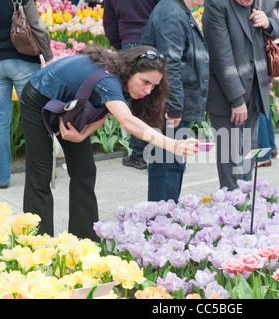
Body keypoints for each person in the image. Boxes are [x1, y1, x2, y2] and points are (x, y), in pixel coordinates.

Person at [19, 45, 199, 240]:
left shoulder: (121, 80)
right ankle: (38, 244)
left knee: (85, 170)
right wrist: (173, 145)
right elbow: (127, 120)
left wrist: (82, 135)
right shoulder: (108, 80)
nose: (148, 90)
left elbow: (102, 111)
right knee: (41, 175)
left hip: (71, 104)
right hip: (38, 98)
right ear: (131, 71)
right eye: (145, 82)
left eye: (154, 86)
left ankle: (84, 240)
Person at [202, 0, 279, 191]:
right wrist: (236, 99)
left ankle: (244, 204)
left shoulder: (264, 2)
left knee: (248, 152)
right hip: (227, 94)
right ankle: (232, 207)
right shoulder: (217, 5)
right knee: (231, 157)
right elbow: (221, 56)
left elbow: (278, 29)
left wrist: (269, 23)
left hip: (255, 88)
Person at [0, 0, 53, 189]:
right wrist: (48, 57)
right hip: (23, 61)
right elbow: (37, 25)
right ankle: (41, 176)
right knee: (34, 118)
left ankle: (0, 179)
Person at [142, 0, 209, 202]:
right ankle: (162, 222)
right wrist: (174, 106)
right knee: (166, 163)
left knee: (173, 162)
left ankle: (168, 219)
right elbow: (169, 63)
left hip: (175, 100)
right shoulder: (171, 12)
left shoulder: (177, 9)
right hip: (169, 104)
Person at [103, 0, 160, 170]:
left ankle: (138, 155)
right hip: (154, 42)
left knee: (136, 101)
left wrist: (123, 48)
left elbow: (110, 22)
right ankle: (159, 150)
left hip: (129, 42)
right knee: (154, 97)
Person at [257, 0, 279, 168]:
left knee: (256, 101)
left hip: (255, 55)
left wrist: (268, 23)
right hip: (262, 54)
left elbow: (277, 27)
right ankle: (270, 146)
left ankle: (262, 153)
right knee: (262, 97)